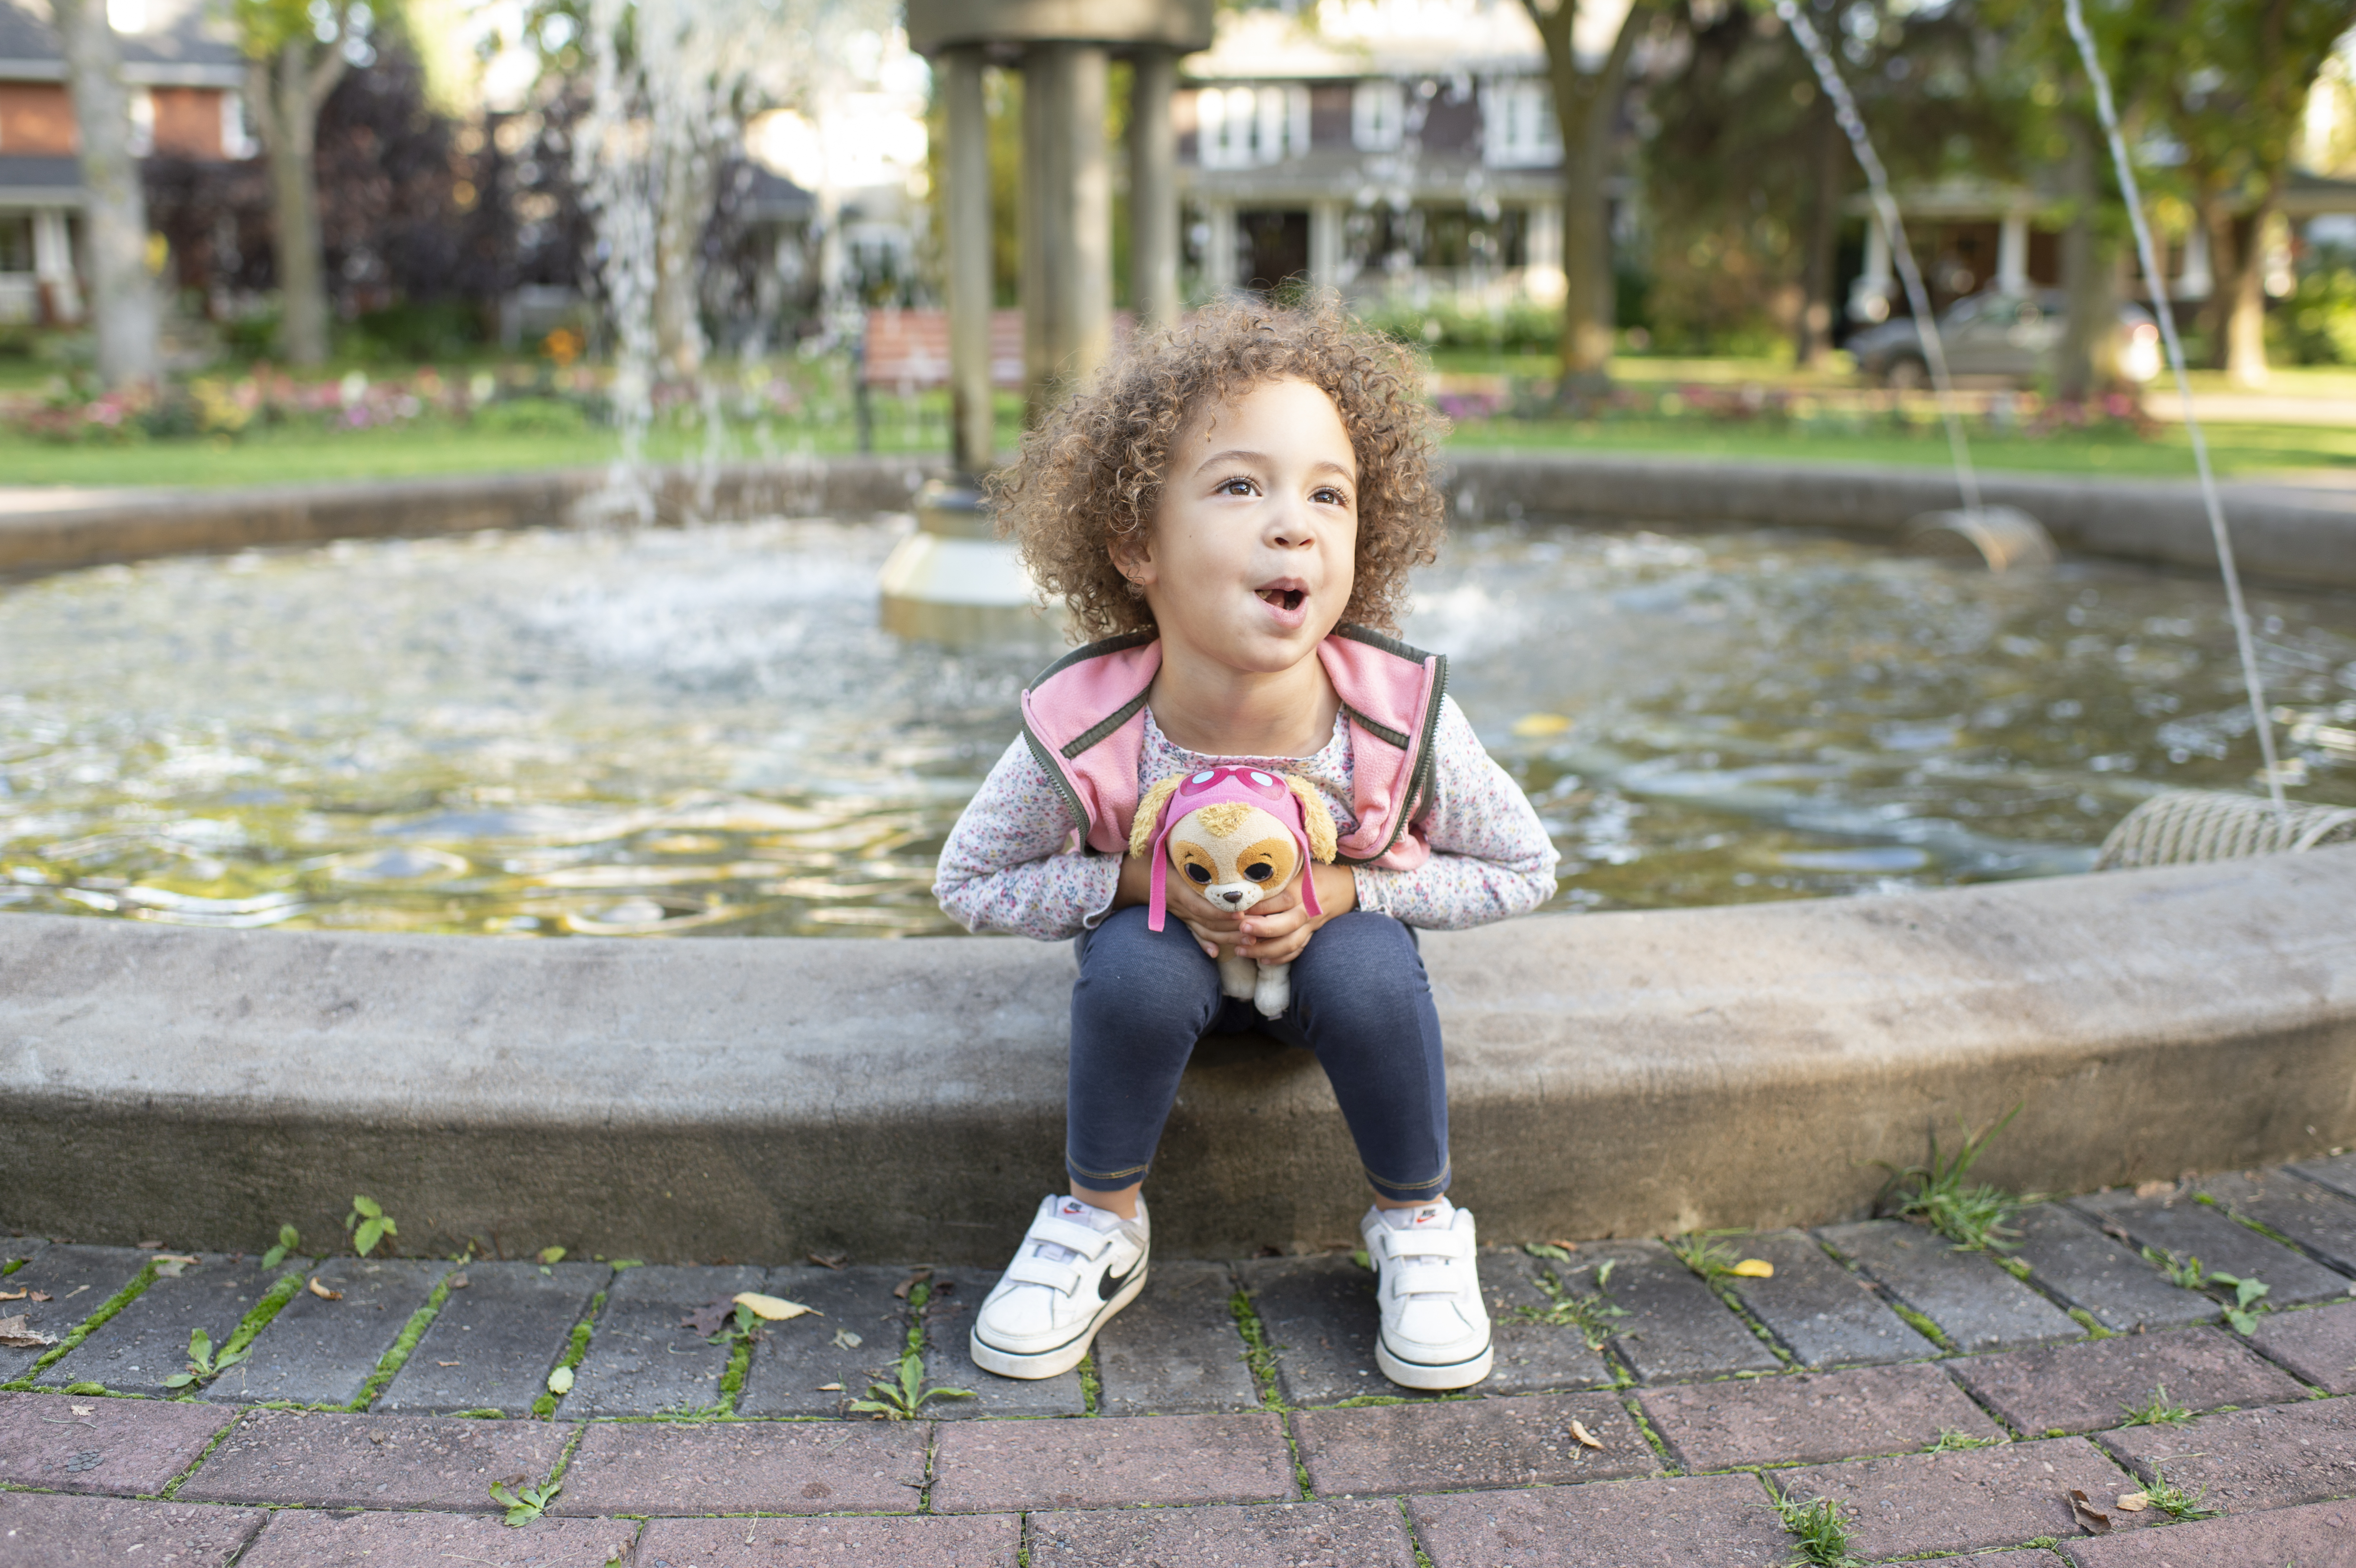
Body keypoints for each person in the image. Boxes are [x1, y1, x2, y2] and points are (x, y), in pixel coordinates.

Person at [932, 295, 1559, 1391]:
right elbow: (969, 880)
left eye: (1330, 493)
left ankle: (1415, 1221)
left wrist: (1349, 889)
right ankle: (1100, 1220)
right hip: (1165, 977)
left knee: (1368, 967)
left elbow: (1524, 866)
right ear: (1135, 542)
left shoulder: (1394, 714)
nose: (1294, 523)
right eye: (1239, 485)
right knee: (1132, 964)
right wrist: (1135, 877)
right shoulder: (1091, 720)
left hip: (1324, 981)